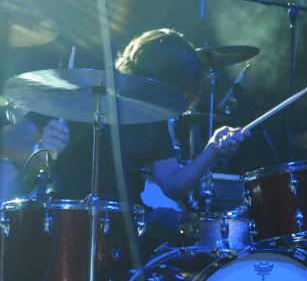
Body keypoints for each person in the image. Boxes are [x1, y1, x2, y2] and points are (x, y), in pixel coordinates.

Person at [1, 28, 249, 238]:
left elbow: (173, 185)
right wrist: (42, 148)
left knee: (191, 234)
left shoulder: (154, 116)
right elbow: (6, 140)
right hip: (69, 216)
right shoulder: (80, 97)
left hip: (129, 219)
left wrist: (212, 150)